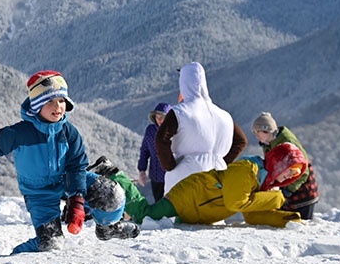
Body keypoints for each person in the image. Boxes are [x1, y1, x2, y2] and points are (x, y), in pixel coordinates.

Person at [0, 71, 89, 254]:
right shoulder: (20, 133)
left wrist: (77, 198)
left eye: (62, 100)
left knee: (110, 194)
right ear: (37, 106)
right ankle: (14, 260)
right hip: (39, 192)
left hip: (66, 180)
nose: (58, 106)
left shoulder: (69, 132)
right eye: (49, 101)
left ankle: (109, 227)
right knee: (50, 243)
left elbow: (77, 165)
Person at [107, 143, 309, 228]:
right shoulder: (247, 170)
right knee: (146, 216)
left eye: (293, 175)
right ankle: (114, 175)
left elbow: (252, 214)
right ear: (278, 163)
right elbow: (236, 203)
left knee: (158, 225)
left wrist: (287, 220)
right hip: (188, 197)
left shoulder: (263, 183)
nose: (287, 177)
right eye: (288, 170)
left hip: (196, 208)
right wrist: (277, 198)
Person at [155, 62, 247, 194]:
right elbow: (241, 141)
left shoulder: (180, 112)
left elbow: (161, 138)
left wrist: (169, 165)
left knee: (179, 212)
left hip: (185, 174)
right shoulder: (224, 115)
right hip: (217, 174)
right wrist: (221, 161)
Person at [252, 112, 319, 220]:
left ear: (267, 130)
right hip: (289, 190)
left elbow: (303, 170)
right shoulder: (269, 143)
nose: (256, 136)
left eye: (258, 132)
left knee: (300, 227)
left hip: (302, 192)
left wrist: (288, 191)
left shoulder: (287, 144)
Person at [137, 102, 172, 202]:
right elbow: (144, 150)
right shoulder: (150, 131)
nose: (160, 120)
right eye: (157, 117)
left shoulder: (174, 132)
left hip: (171, 177)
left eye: (163, 117)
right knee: (158, 203)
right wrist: (142, 170)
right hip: (155, 176)